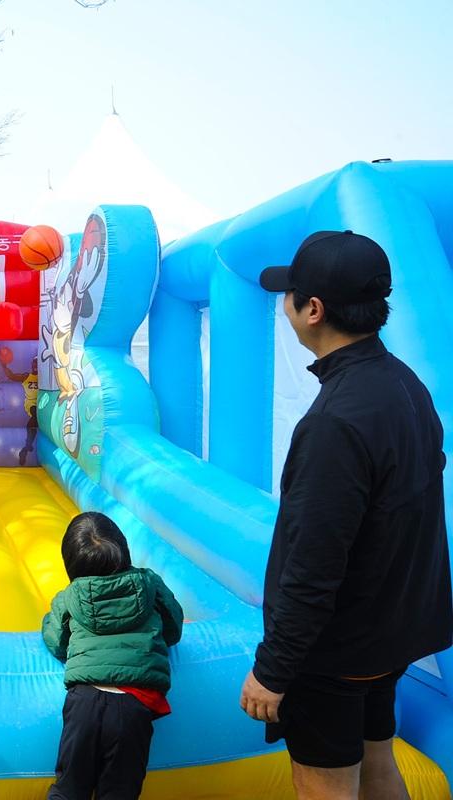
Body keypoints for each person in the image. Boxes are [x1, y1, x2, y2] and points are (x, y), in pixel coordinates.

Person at [243, 230, 452, 800]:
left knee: (325, 788)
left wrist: (274, 668)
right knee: (379, 766)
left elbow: (314, 563)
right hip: (388, 638)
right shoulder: (406, 386)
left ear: (313, 310)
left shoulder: (335, 421)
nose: (284, 306)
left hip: (333, 653)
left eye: (291, 295)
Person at [42, 512, 183, 800]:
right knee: (120, 791)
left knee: (69, 788)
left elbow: (55, 640)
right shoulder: (149, 584)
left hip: (84, 702)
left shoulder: (70, 596)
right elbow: (173, 628)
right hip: (135, 705)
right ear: (124, 548)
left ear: (71, 563)